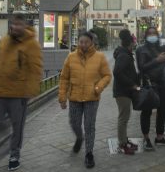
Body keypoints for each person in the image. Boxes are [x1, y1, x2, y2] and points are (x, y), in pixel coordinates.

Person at [0, 14, 43, 171]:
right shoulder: (5, 41)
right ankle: (6, 143)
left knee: (17, 127)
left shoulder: (32, 44)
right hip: (0, 91)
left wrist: (31, 91)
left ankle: (14, 154)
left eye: (19, 24)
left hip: (19, 94)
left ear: (25, 25)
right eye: (14, 24)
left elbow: (35, 69)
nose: (16, 27)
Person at [59, 31, 111, 169]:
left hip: (92, 98)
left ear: (91, 43)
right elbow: (64, 78)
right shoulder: (71, 57)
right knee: (74, 122)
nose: (83, 44)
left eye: (86, 42)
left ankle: (89, 153)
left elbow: (107, 75)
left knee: (89, 126)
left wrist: (98, 87)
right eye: (81, 42)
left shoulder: (100, 57)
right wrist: (62, 97)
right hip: (75, 97)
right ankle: (79, 137)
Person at [136, 27, 165, 151]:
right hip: (149, 85)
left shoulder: (160, 48)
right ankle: (146, 138)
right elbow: (142, 67)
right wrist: (157, 60)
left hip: (162, 84)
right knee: (146, 112)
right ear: (146, 36)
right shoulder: (141, 49)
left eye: (154, 33)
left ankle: (159, 137)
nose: (152, 35)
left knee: (162, 111)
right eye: (150, 34)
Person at [113, 29, 139, 155]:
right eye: (134, 43)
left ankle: (124, 140)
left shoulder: (124, 53)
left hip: (124, 91)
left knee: (125, 117)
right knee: (123, 118)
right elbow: (117, 72)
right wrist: (132, 84)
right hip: (123, 92)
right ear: (130, 43)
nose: (135, 45)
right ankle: (122, 144)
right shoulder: (124, 55)